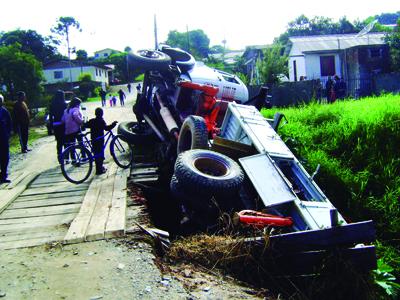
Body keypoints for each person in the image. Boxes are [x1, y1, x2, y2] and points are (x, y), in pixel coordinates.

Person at [85, 108, 117, 174]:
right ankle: (99, 170)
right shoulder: (101, 121)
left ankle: (99, 168)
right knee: (100, 155)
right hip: (100, 140)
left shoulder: (92, 121)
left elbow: (86, 125)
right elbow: (107, 128)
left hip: (93, 140)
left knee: (96, 154)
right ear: (102, 114)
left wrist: (84, 122)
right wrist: (113, 124)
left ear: (95, 113)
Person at [49, 90, 67, 164]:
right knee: (65, 141)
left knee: (59, 142)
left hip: (56, 124)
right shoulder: (64, 104)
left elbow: (50, 115)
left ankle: (59, 156)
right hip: (63, 124)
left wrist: (51, 125)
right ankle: (66, 157)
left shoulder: (52, 104)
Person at [0, 94, 12, 183]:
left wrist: (8, 134)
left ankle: (4, 175)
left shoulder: (5, 111)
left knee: (5, 157)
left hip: (3, 138)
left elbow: (9, 124)